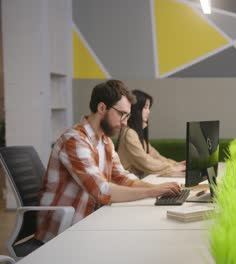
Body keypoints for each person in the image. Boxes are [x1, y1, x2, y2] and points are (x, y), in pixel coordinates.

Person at [36, 80, 181, 243]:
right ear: (102, 108)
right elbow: (101, 191)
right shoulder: (74, 141)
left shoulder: (105, 142)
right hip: (64, 232)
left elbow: (123, 178)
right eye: (122, 114)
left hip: (89, 221)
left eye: (127, 116)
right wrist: (152, 192)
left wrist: (159, 188)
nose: (125, 122)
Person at [116, 90, 185, 178]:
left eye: (149, 108)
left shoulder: (135, 133)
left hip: (137, 179)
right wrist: (173, 168)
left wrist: (176, 164)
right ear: (136, 109)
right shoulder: (129, 133)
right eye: (145, 107)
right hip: (129, 182)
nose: (148, 112)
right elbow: (145, 161)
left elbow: (155, 156)